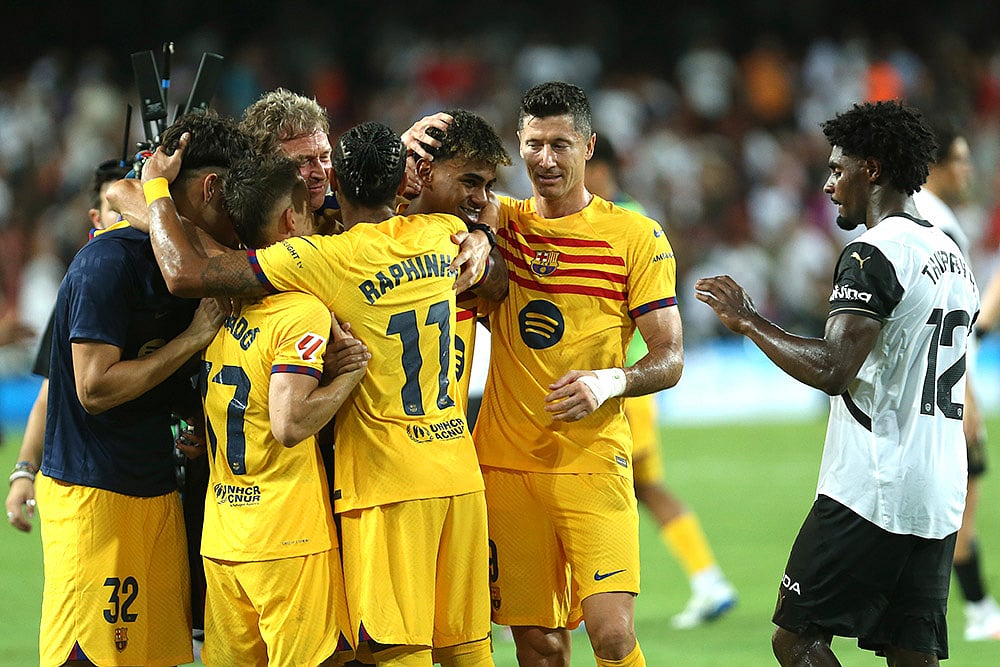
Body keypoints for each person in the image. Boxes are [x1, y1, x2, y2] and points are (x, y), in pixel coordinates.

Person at [140, 120, 499, 666]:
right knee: (467, 649)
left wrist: (150, 194)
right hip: (456, 468)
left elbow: (189, 272)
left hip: (385, 483)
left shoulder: (322, 261)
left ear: (336, 184)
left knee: (398, 650)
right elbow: (481, 210)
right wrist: (483, 233)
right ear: (404, 184)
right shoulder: (443, 232)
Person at [696, 100, 979, 666]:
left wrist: (749, 321)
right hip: (939, 490)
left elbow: (832, 368)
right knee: (911, 652)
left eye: (836, 169)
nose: (828, 185)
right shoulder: (953, 255)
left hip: (872, 485)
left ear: (870, 169)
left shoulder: (874, 252)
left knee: (797, 637)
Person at [462, 81, 684, 666]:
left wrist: (607, 382)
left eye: (561, 144)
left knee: (611, 634)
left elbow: (669, 356)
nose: (546, 159)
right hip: (507, 464)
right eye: (534, 144)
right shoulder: (498, 223)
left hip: (593, 458)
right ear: (518, 143)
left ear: (588, 147)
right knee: (539, 643)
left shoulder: (635, 236)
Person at [35, 111, 251, 667]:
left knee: (154, 657)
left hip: (157, 489)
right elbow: (95, 388)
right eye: (239, 196)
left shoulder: (187, 265)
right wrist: (193, 340)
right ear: (212, 188)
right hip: (96, 494)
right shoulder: (106, 263)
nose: (245, 215)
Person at [197, 153, 367, 666]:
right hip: (286, 538)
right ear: (291, 221)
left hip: (223, 537)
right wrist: (347, 377)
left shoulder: (224, 305)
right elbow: (289, 423)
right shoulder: (301, 310)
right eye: (311, 215)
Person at [585, 137, 738, 629]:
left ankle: (574, 604)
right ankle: (708, 580)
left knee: (597, 490)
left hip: (620, 383)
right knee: (644, 488)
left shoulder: (617, 220)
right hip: (628, 386)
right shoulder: (635, 215)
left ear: (598, 166)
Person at [6, 159, 128, 533]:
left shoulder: (174, 289)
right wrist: (24, 471)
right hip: (93, 481)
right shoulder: (81, 288)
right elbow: (49, 391)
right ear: (96, 217)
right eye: (116, 208)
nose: (128, 215)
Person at [914, 115, 1000, 641]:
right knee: (961, 495)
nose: (968, 168)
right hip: (943, 385)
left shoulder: (924, 214)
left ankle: (974, 605)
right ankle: (974, 607)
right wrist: (963, 393)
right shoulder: (935, 221)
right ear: (938, 165)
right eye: (961, 159)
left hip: (937, 379)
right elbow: (947, 324)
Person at [401, 108, 511, 414]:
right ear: (424, 172)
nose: (480, 198)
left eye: (487, 186)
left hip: (452, 447)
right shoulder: (373, 229)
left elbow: (500, 286)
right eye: (470, 182)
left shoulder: (469, 243)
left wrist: (485, 236)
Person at [240, 87, 340, 232]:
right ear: (262, 165)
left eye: (324, 157)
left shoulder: (348, 219)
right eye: (303, 161)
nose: (322, 174)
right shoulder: (234, 235)